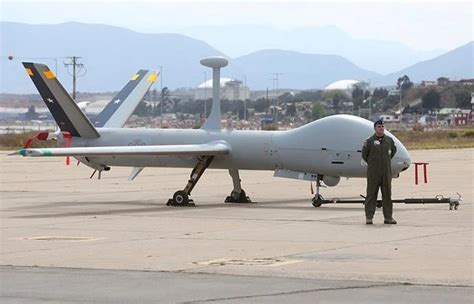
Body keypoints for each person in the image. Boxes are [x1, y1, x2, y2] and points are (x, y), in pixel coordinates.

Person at [362, 119, 397, 225]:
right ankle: (369, 217)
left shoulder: (389, 141)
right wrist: (374, 164)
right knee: (371, 194)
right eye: (379, 127)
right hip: (374, 172)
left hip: (386, 172)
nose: (381, 128)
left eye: (382, 126)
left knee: (387, 195)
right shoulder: (369, 141)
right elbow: (364, 155)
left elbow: (393, 152)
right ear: (375, 128)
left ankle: (388, 217)